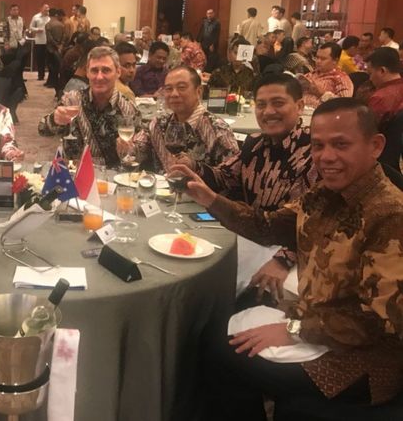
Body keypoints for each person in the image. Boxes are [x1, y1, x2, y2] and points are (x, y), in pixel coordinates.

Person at [177, 98, 403, 418]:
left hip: (362, 361)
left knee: (219, 352)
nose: (327, 157)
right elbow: (269, 226)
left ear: (376, 145)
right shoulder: (324, 194)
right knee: (219, 329)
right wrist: (212, 200)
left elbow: (378, 321)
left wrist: (294, 329)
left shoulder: (391, 215)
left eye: (341, 145)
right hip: (318, 326)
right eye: (318, 145)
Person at [193, 74, 317, 298]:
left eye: (278, 103)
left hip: (289, 247)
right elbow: (225, 176)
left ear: (300, 106)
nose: (268, 111)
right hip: (251, 236)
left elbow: (313, 221)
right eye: (261, 105)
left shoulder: (314, 152)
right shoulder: (255, 143)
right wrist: (194, 168)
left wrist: (284, 259)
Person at [123, 66, 238, 173]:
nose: (174, 94)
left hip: (199, 194)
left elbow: (232, 176)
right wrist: (126, 147)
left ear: (199, 91)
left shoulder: (217, 130)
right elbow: (136, 152)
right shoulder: (158, 124)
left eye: (181, 88)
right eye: (168, 89)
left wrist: (196, 168)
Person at [39, 46, 140, 167]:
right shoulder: (72, 100)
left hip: (111, 179)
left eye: (106, 70)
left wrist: (131, 149)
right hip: (74, 176)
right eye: (94, 70)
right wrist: (54, 119)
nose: (99, 77)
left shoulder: (129, 109)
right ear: (87, 72)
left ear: (118, 72)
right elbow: (42, 130)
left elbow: (141, 152)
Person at [301, 42, 353, 108]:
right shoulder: (311, 74)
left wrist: (322, 94)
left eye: (323, 59)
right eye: (317, 57)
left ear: (335, 61)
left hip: (320, 115)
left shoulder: (341, 79)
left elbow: (344, 105)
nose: (318, 61)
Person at [366, 47, 403, 126]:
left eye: (370, 74)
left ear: (382, 71)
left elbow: (369, 131)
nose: (370, 79)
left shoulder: (380, 98)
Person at [45, 8, 66, 94]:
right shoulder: (61, 25)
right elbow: (64, 36)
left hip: (50, 48)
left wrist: (56, 45)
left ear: (49, 15)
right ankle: (52, 81)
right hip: (59, 48)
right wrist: (60, 45)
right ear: (56, 15)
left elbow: (49, 38)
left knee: (51, 65)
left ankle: (52, 82)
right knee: (57, 65)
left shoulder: (48, 25)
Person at [30, 4, 50, 82]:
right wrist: (37, 29)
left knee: (47, 60)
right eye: (45, 10)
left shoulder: (50, 18)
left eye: (48, 10)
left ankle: (47, 76)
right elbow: (31, 27)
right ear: (41, 9)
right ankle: (40, 75)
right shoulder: (36, 17)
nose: (47, 11)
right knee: (39, 59)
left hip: (48, 41)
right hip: (39, 41)